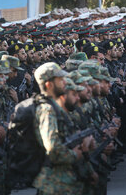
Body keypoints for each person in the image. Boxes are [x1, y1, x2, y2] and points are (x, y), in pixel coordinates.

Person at [33, 62, 93, 195]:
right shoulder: (47, 110)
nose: (64, 82)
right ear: (49, 84)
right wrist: (75, 154)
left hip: (64, 181)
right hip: (54, 184)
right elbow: (53, 148)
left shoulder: (56, 109)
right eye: (60, 80)